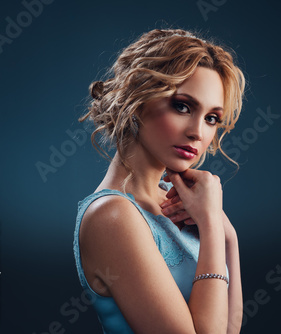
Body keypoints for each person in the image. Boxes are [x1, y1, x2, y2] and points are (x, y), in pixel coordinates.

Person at [72, 28, 246, 333]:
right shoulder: (112, 216)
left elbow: (229, 329)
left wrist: (225, 236)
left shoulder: (182, 202)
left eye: (211, 118)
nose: (198, 132)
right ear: (138, 100)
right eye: (182, 106)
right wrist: (209, 227)